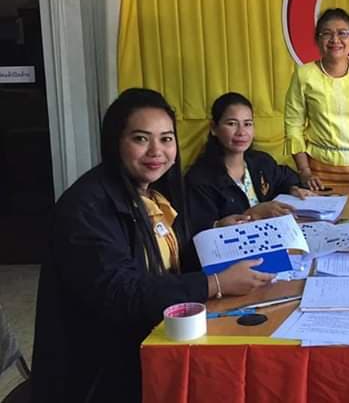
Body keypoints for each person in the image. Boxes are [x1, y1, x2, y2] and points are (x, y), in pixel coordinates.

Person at [31, 89, 274, 403]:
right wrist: (214, 283)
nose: (157, 151)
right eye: (141, 139)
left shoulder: (155, 193)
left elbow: (170, 261)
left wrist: (217, 232)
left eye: (166, 139)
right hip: (104, 373)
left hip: (157, 339)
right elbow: (122, 292)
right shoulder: (86, 206)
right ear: (115, 142)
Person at [284, 7, 349, 190]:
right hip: (318, 174)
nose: (335, 40)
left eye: (342, 33)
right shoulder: (304, 75)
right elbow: (293, 125)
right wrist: (305, 172)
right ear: (317, 40)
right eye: (327, 34)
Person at [186, 92, 312, 231]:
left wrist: (293, 188)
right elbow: (200, 230)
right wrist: (252, 214)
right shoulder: (199, 179)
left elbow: (285, 177)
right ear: (214, 128)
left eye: (247, 124)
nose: (241, 132)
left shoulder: (261, 162)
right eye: (232, 124)